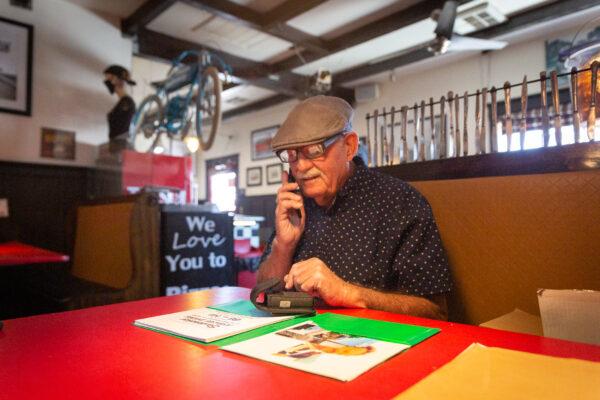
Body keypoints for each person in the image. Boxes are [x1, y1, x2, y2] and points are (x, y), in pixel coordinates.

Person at [256, 96, 452, 320]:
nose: (300, 166)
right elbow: (264, 292)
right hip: (289, 342)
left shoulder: (400, 203)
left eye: (313, 150)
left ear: (349, 147)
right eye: (292, 155)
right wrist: (283, 246)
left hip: (371, 345)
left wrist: (348, 293)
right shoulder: (295, 204)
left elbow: (435, 311)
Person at [103, 65, 136, 153]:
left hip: (120, 149)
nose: (106, 82)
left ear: (115, 80)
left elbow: (123, 130)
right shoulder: (123, 102)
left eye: (108, 79)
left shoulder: (127, 102)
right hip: (117, 147)